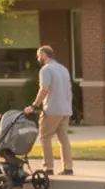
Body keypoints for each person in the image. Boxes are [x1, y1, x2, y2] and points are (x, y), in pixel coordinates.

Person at [26, 45, 74, 176]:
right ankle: (68, 167)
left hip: (52, 109)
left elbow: (44, 89)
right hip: (65, 109)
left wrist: (34, 105)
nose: (38, 58)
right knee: (63, 138)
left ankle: (48, 167)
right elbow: (69, 90)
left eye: (39, 55)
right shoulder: (63, 69)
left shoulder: (46, 70)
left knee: (44, 137)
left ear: (44, 55)